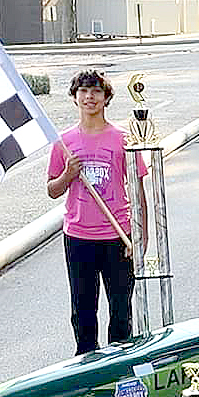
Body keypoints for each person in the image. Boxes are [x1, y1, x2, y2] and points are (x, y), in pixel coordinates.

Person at [47, 69, 148, 356]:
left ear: (106, 99)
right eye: (83, 91)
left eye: (96, 92)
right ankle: (86, 362)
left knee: (120, 308)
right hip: (79, 237)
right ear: (75, 98)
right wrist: (68, 174)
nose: (89, 97)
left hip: (118, 236)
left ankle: (120, 363)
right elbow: (53, 190)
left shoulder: (122, 139)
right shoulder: (63, 143)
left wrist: (142, 233)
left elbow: (138, 187)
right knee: (83, 309)